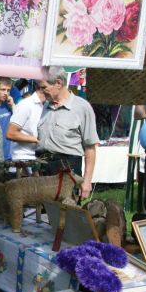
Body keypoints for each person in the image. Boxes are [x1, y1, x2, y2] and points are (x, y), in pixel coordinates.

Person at [36, 66, 98, 198]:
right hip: (43, 167)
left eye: (44, 87)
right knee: (41, 214)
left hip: (67, 169)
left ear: (58, 83)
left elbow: (90, 147)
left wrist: (87, 181)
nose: (41, 91)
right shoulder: (47, 105)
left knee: (65, 214)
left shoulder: (82, 107)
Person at [6, 80, 45, 161]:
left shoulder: (47, 105)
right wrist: (36, 140)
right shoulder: (26, 104)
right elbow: (11, 134)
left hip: (39, 158)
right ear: (43, 88)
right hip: (23, 158)